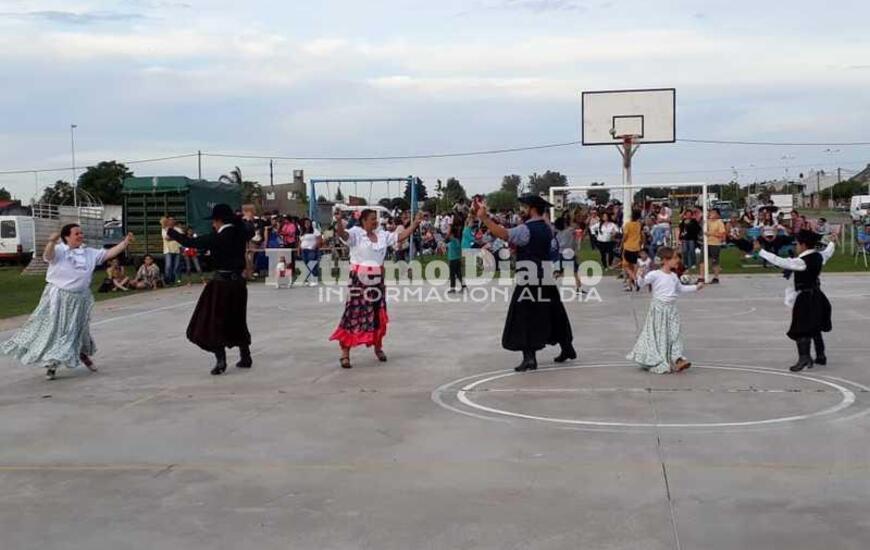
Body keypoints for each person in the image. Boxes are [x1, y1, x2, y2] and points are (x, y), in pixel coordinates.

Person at [2, 224, 134, 380]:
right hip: (59, 298)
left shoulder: (88, 252)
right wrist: (51, 242)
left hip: (80, 299)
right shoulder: (59, 250)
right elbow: (48, 256)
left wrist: (124, 243)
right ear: (67, 237)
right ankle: (52, 363)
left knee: (78, 329)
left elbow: (108, 253)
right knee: (58, 330)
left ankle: (81, 353)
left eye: (81, 233)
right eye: (76, 233)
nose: (80, 235)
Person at [475, 194, 576, 372]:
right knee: (554, 312)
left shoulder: (526, 230)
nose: (521, 210)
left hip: (528, 278)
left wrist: (483, 218)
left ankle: (529, 358)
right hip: (545, 276)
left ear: (531, 209)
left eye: (524, 207)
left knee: (524, 316)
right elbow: (552, 249)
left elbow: (504, 234)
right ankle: (567, 347)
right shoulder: (547, 228)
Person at [167, 204, 255, 375]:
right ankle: (245, 356)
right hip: (239, 283)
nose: (213, 225)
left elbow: (192, 242)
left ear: (219, 221)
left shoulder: (219, 237)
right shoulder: (240, 233)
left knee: (211, 321)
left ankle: (221, 360)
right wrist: (246, 219)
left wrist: (172, 233)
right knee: (237, 317)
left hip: (222, 283)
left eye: (214, 222)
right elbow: (250, 229)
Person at [329, 208, 422, 369]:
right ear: (364, 220)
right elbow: (342, 234)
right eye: (372, 219)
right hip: (359, 281)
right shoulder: (356, 233)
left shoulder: (382, 235)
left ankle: (378, 348)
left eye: (376, 218)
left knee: (377, 315)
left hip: (377, 281)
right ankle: (345, 353)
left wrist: (414, 224)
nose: (376, 221)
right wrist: (338, 221)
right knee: (352, 315)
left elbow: (400, 236)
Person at [754, 230, 835, 372]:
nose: (796, 246)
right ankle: (820, 356)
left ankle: (804, 358)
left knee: (801, 328)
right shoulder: (819, 256)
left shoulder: (802, 262)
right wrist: (833, 241)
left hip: (805, 298)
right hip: (817, 295)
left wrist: (761, 251)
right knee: (814, 326)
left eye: (797, 243)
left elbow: (780, 261)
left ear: (803, 245)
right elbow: (828, 251)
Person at [627, 246, 704, 374]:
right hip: (658, 309)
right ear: (665, 260)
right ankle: (661, 359)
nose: (677, 260)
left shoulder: (674, 276)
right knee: (661, 336)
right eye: (674, 258)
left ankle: (678, 359)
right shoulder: (655, 274)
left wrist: (696, 287)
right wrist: (639, 276)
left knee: (675, 334)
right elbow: (640, 284)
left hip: (671, 310)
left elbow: (680, 289)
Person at [700, 208, 726, 283]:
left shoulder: (719, 222)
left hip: (715, 244)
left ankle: (716, 277)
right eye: (711, 212)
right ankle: (701, 276)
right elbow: (702, 227)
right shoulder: (707, 221)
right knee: (702, 260)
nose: (711, 214)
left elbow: (722, 234)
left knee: (715, 261)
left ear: (717, 214)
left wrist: (711, 234)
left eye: (713, 213)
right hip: (706, 243)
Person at [621, 210, 643, 291]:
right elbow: (641, 235)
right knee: (632, 267)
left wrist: (621, 243)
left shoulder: (628, 225)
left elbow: (625, 236)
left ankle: (635, 279)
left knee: (626, 266)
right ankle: (629, 285)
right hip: (636, 247)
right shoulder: (638, 225)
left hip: (628, 247)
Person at [298, 217, 322, 286]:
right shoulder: (302, 231)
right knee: (306, 264)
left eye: (308, 223)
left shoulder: (315, 230)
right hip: (304, 250)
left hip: (311, 250)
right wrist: (299, 249)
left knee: (311, 264)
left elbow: (319, 239)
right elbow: (300, 241)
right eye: (305, 223)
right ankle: (309, 279)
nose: (307, 224)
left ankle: (314, 279)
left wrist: (314, 246)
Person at [446, 217, 467, 293]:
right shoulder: (456, 241)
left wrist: (450, 226)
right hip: (456, 259)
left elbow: (448, 235)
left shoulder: (453, 241)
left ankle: (452, 288)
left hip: (453, 259)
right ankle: (463, 286)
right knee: (458, 274)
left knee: (452, 274)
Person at [161, 216, 182, 285]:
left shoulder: (178, 229)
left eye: (173, 220)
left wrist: (174, 237)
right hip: (168, 250)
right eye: (170, 220)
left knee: (176, 266)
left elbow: (182, 237)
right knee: (168, 266)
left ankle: (172, 280)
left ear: (174, 221)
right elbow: (167, 238)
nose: (171, 221)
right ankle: (167, 280)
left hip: (177, 250)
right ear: (167, 221)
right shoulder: (164, 229)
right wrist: (176, 237)